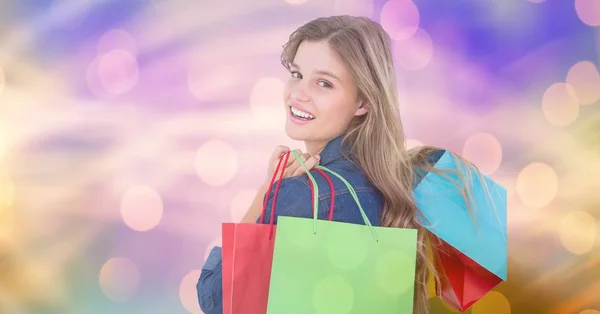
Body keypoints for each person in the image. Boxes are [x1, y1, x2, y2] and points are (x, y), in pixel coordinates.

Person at [197, 15, 480, 314]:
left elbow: (217, 299)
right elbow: (478, 285)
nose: (298, 94)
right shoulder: (423, 177)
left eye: (324, 83)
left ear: (363, 102)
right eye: (296, 74)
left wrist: (266, 193)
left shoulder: (300, 194)